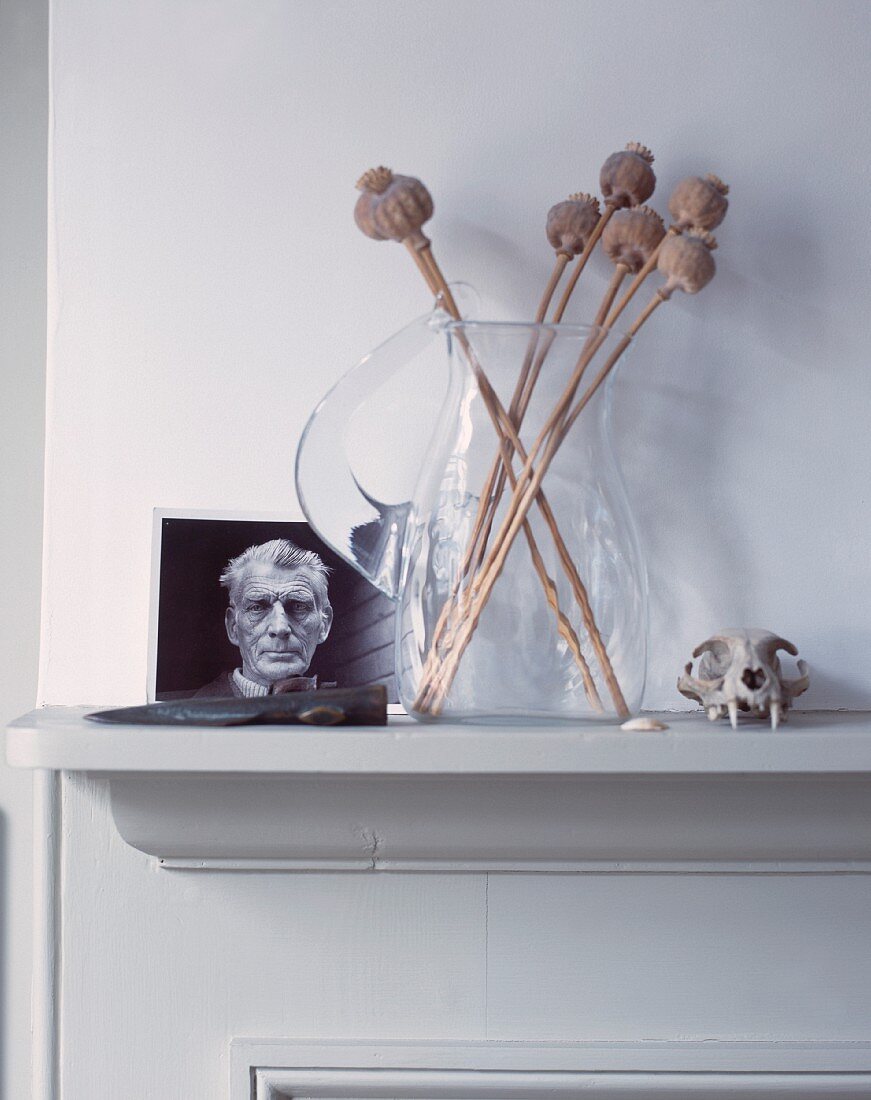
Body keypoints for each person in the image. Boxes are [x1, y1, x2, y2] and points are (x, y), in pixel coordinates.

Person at [193, 538, 333, 698]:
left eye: (298, 607)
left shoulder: (351, 715)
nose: (280, 628)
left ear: (324, 625)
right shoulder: (185, 719)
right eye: (257, 608)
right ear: (233, 627)